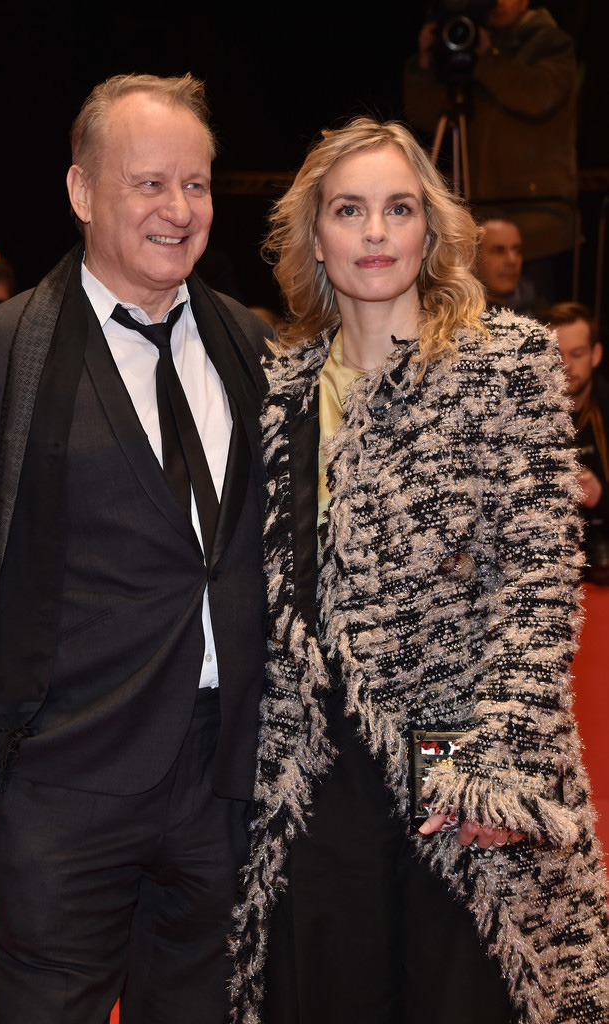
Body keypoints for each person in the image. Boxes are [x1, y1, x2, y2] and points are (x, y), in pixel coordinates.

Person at [228, 118, 609, 1024]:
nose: (374, 232)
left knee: (461, 990)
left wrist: (495, 765)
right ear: (314, 233)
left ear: (431, 229)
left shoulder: (504, 364)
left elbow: (535, 583)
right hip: (314, 769)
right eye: (348, 210)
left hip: (454, 749)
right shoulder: (278, 390)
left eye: (398, 209)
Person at [0, 72, 271, 1024]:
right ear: (82, 191)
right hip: (64, 781)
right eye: (148, 183)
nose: (178, 209)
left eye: (195, 184)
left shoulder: (252, 343)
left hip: (225, 778)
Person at [403, 0, 578, 305]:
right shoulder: (473, 44)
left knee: (535, 318)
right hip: (486, 211)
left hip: (538, 215)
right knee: (480, 316)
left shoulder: (550, 41)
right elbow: (426, 115)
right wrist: (425, 63)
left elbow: (539, 96)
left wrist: (487, 57)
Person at [547, 301, 609, 583]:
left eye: (578, 354)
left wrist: (601, 496)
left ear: (596, 354)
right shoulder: (525, 413)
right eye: (557, 354)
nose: (567, 365)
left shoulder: (605, 407)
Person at [475, 213, 543, 316]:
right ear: (472, 257)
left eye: (517, 251)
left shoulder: (543, 315)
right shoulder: (458, 316)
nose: (512, 260)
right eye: (498, 250)